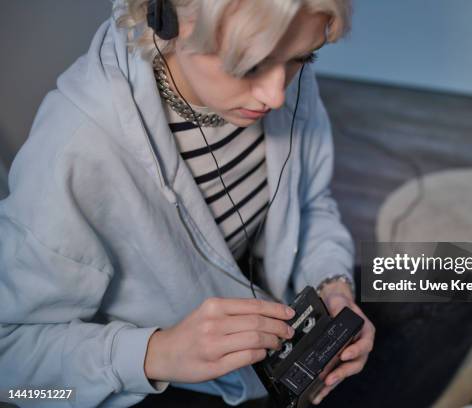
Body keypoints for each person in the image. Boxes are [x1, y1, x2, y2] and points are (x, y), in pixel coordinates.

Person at [0, 0, 377, 406]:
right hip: (170, 384)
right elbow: (10, 361)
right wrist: (157, 354)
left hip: (281, 322)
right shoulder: (76, 148)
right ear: (164, 18)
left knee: (449, 277)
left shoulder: (282, 71)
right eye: (250, 65)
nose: (276, 96)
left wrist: (333, 285)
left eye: (302, 57)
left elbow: (311, 203)